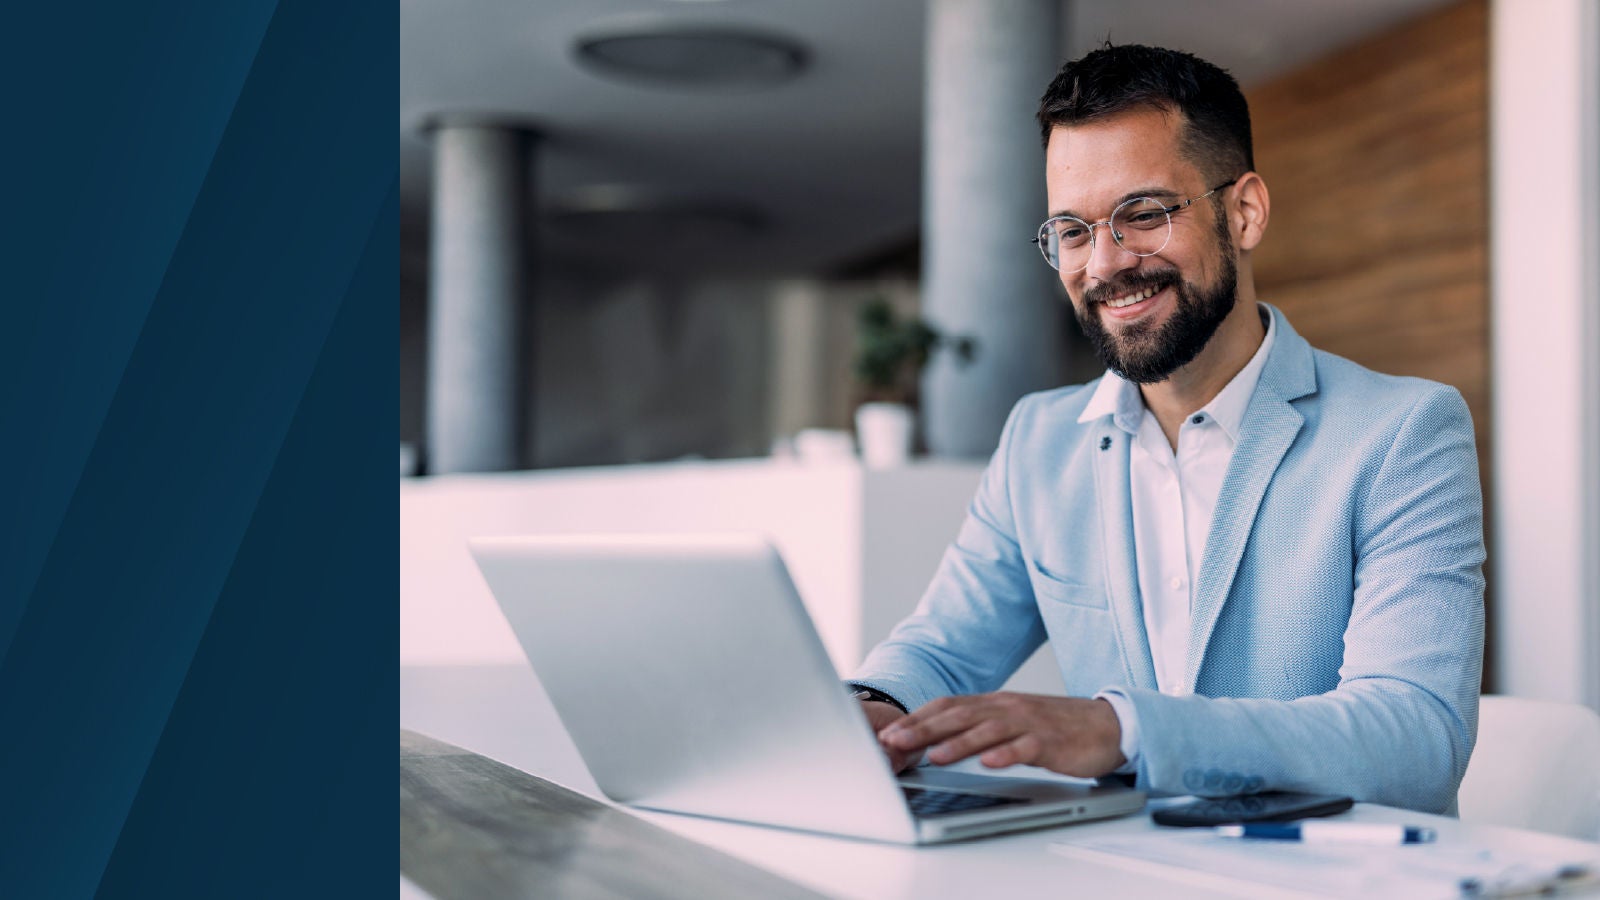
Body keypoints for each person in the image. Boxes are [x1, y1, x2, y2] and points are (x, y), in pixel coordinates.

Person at [846, 44, 1484, 814]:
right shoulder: (1038, 443)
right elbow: (941, 651)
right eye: (1072, 231)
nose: (1106, 263)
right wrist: (869, 706)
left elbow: (1415, 739)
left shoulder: (1404, 432)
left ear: (1243, 212)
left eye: (1142, 214)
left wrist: (1123, 729)